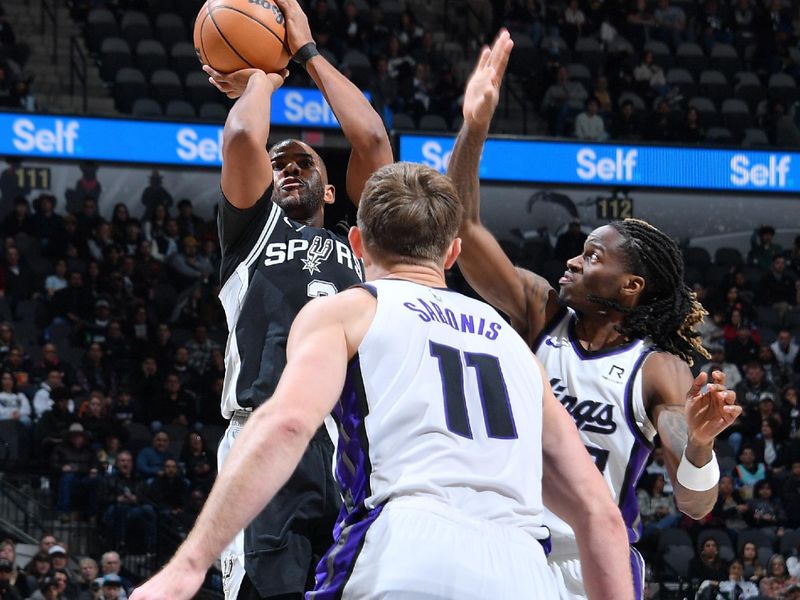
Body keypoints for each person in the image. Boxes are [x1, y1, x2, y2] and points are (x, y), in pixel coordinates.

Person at [130, 158, 634, 600]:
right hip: (524, 570)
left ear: (356, 242)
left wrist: (189, 565)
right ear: (451, 253)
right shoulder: (515, 345)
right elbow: (602, 516)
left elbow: (285, 426)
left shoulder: (348, 309)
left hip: (407, 545)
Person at [446, 29, 740, 600]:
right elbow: (464, 230)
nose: (572, 262)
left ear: (630, 286)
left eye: (591, 256)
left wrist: (700, 446)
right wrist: (474, 125)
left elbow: (696, 503)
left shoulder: (658, 371)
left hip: (591, 567)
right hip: (506, 551)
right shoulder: (540, 310)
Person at [200, 0, 392, 597]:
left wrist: (306, 54)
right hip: (265, 434)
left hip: (350, 443)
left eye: (301, 159)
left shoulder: (361, 243)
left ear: (331, 188)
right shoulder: (250, 233)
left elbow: (373, 139)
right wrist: (264, 76)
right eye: (276, 160)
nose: (285, 164)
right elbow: (240, 140)